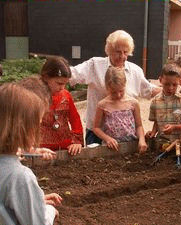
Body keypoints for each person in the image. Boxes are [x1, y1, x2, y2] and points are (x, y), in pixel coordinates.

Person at [70, 30, 161, 145]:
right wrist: (53, 74)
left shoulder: (135, 71)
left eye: (125, 52)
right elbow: (72, 73)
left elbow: (148, 90)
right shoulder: (95, 65)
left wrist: (171, 88)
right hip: (97, 132)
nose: (122, 56)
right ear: (109, 51)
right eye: (118, 52)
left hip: (125, 134)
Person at [0, 83, 62, 225]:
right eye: (37, 124)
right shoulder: (20, 177)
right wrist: (49, 211)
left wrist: (33, 200)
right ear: (23, 129)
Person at [93, 66, 147, 153]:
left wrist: (142, 139)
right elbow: (96, 128)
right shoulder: (102, 105)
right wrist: (107, 139)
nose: (118, 95)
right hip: (112, 147)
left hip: (131, 145)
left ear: (125, 84)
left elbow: (139, 126)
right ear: (107, 87)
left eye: (121, 91)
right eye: (113, 92)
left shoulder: (133, 103)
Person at [146, 63, 181, 150]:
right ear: (160, 80)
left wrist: (174, 128)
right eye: (167, 84)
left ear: (179, 81)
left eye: (174, 85)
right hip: (162, 145)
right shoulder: (155, 101)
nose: (170, 88)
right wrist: (153, 132)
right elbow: (156, 121)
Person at [40, 56, 83, 155]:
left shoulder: (66, 95)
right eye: (59, 83)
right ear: (46, 77)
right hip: (42, 149)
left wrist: (77, 141)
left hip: (66, 148)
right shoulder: (34, 96)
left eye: (65, 84)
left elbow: (75, 118)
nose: (62, 87)